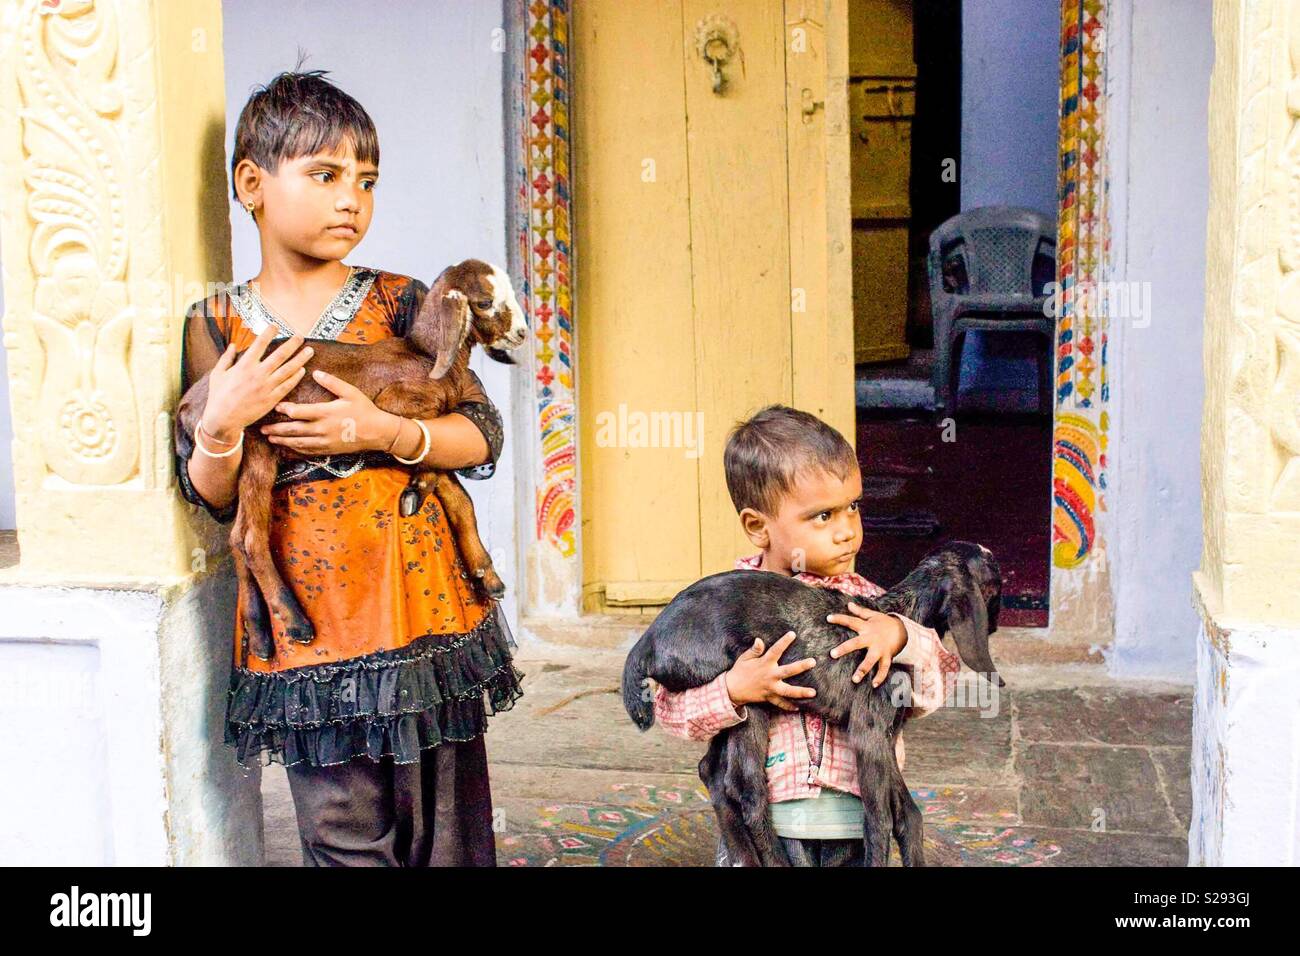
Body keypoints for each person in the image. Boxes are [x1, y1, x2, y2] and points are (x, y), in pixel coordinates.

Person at [174, 66, 523, 866]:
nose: (350, 201)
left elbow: (480, 431)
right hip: (309, 624)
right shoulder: (215, 322)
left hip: (421, 603)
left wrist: (381, 431)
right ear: (252, 183)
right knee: (340, 829)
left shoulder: (399, 300)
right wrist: (223, 427)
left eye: (366, 181)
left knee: (449, 826)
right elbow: (210, 494)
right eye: (325, 176)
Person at [653, 404, 960, 866]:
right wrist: (732, 690)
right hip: (763, 829)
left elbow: (933, 691)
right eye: (823, 517)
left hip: (855, 823)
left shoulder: (872, 609)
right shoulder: (724, 614)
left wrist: (902, 638)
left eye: (853, 507)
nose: (847, 532)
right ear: (758, 526)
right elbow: (670, 711)